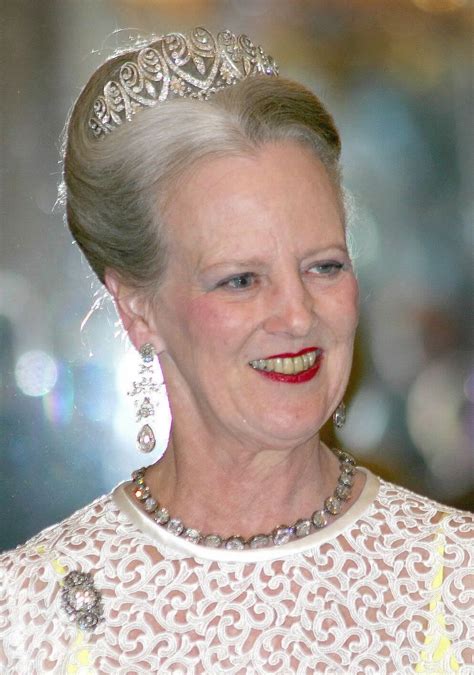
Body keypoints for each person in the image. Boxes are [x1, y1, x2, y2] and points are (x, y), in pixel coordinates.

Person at [0, 27, 471, 673]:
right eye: (241, 279)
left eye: (324, 266)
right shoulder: (32, 612)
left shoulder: (455, 580)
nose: (297, 314)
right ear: (138, 308)